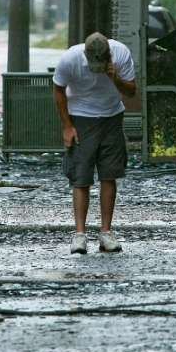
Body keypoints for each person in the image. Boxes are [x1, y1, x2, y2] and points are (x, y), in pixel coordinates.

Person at [53, 32, 137, 255]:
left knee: (109, 174)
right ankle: (79, 234)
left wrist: (115, 77)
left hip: (112, 115)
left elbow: (132, 91)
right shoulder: (70, 59)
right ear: (86, 55)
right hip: (81, 116)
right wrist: (67, 126)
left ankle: (106, 232)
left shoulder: (121, 54)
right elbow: (58, 89)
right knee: (81, 176)